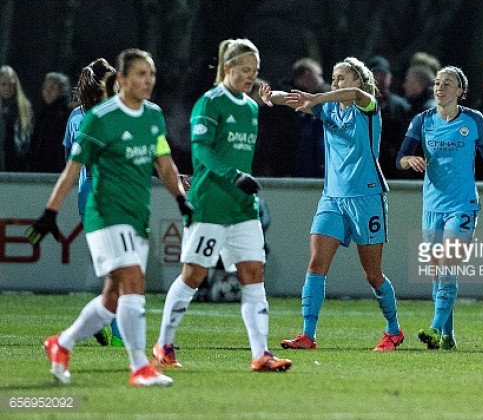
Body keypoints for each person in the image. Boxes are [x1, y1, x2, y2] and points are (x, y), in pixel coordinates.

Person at [26, 48, 192, 387]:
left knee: (112, 298)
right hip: (105, 213)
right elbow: (72, 171)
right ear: (122, 79)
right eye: (141, 74)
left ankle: (62, 343)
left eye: (152, 74)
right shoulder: (100, 118)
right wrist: (50, 212)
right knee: (134, 283)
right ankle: (140, 366)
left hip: (136, 214)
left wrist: (181, 199)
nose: (148, 81)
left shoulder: (154, 116)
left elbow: (164, 164)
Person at [152, 38, 292, 373]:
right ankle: (163, 344)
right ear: (227, 68)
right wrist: (234, 176)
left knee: (253, 274)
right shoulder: (210, 103)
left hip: (242, 207)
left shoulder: (250, 107)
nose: (251, 77)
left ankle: (261, 354)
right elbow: (202, 151)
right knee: (194, 275)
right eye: (245, 70)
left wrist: (242, 183)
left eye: (255, 71)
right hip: (211, 204)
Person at [263, 57, 404, 352]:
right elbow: (293, 100)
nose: (337, 82)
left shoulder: (368, 107)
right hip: (332, 197)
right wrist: (270, 96)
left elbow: (353, 96)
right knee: (316, 264)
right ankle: (307, 334)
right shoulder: (327, 107)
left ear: (358, 81)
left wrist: (317, 97)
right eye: (334, 76)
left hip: (366, 198)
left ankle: (393, 330)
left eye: (342, 77)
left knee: (372, 275)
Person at [396, 65, 483, 350]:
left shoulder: (473, 120)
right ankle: (447, 336)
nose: (440, 88)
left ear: (460, 91)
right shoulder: (423, 120)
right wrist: (411, 161)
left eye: (448, 84)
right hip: (432, 206)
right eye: (437, 83)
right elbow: (401, 158)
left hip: (463, 205)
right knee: (437, 272)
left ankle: (434, 328)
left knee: (447, 265)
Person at [62, 59, 123, 347]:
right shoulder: (108, 115)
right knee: (124, 268)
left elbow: (69, 164)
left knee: (115, 268)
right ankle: (115, 331)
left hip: (86, 195)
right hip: (109, 194)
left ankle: (100, 320)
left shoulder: (75, 117)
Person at [367, 55, 411, 179]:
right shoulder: (358, 106)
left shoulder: (401, 107)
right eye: (375, 74)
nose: (379, 79)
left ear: (390, 78)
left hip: (394, 171)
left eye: (383, 75)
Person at [27, 72, 72, 172]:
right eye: (45, 88)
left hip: (58, 171)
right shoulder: (43, 113)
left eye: (52, 88)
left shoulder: (66, 114)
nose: (47, 91)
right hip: (40, 171)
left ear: (62, 90)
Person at [0, 65, 34, 171]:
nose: (7, 88)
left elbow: (27, 137)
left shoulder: (24, 107)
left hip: (17, 163)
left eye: (11, 85)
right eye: (3, 84)